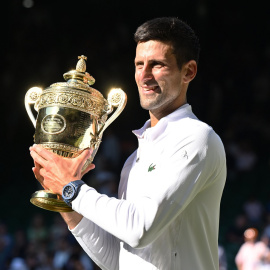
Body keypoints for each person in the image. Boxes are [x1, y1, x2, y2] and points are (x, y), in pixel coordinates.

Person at [30, 17, 227, 270]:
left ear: (188, 71)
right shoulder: (133, 160)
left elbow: (139, 229)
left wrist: (74, 189)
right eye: (139, 64)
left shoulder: (198, 137)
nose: (144, 76)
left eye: (157, 65)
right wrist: (65, 201)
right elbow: (118, 260)